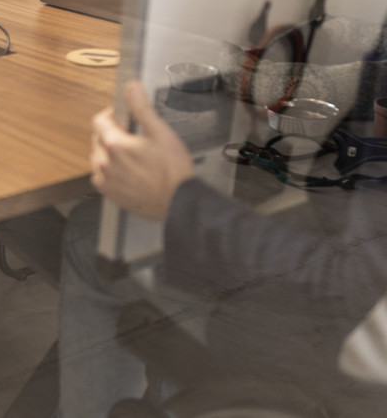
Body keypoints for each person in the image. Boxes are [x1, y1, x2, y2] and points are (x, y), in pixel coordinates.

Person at [57, 81, 387, 416]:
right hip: (349, 315)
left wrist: (179, 203)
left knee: (97, 231)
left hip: (341, 366)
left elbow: (346, 292)